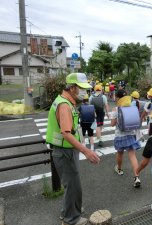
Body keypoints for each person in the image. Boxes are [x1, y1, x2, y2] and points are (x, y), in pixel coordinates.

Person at [46, 73, 100, 225]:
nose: (84, 92)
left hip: (67, 150)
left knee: (72, 184)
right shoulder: (64, 105)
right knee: (72, 186)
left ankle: (69, 211)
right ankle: (71, 219)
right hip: (64, 152)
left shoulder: (66, 102)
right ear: (72, 88)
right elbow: (66, 133)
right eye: (81, 88)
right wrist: (86, 151)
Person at [110, 89, 142, 188]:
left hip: (120, 136)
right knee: (132, 156)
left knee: (120, 153)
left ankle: (119, 169)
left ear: (118, 98)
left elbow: (112, 124)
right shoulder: (132, 106)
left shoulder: (116, 109)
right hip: (131, 134)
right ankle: (137, 177)